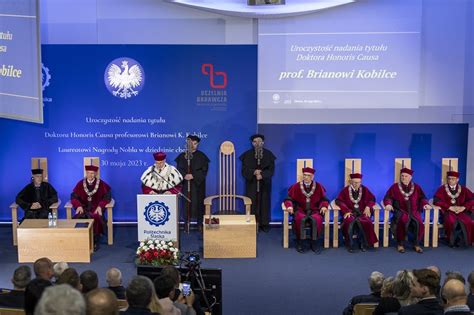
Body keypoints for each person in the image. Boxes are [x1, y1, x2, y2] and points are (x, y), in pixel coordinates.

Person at [383, 168, 430, 253]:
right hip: (401, 211)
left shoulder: (416, 187)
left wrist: (425, 204)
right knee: (401, 221)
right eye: (402, 176)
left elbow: (422, 198)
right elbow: (388, 197)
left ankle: (416, 244)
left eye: (406, 176)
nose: (403, 178)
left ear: (410, 177)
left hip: (414, 211)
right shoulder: (395, 187)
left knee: (419, 223)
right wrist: (389, 204)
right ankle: (400, 244)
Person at [283, 167, 329, 253]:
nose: (306, 177)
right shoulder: (296, 186)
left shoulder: (318, 186)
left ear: (312, 176)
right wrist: (289, 206)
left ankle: (314, 242)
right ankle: (300, 242)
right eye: (304, 175)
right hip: (300, 210)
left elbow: (324, 200)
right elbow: (288, 199)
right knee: (299, 219)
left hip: (314, 210)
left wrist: (323, 206)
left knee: (317, 219)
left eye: (308, 175)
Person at [239, 134, 276, 232]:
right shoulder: (247, 155)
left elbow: (271, 170)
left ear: (263, 143)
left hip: (264, 183)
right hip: (252, 183)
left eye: (259, 141)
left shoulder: (269, 155)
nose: (257, 144)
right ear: (252, 143)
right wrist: (254, 172)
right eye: (255, 142)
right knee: (251, 202)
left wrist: (262, 175)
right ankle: (252, 223)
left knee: (264, 202)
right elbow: (244, 170)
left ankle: (264, 223)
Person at [71, 165, 112, 249]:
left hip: (96, 208)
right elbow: (73, 197)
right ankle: (79, 241)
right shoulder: (80, 183)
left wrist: (100, 206)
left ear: (96, 174)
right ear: (86, 173)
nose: (90, 175)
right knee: (78, 217)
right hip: (84, 208)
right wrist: (78, 206)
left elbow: (107, 197)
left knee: (96, 217)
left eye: (92, 173)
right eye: (88, 173)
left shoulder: (101, 184)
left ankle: (94, 241)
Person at [335, 173, 378, 252]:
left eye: (359, 182)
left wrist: (368, 207)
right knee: (348, 221)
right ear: (350, 181)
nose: (357, 184)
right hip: (350, 212)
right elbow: (339, 201)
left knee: (366, 221)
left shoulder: (364, 189)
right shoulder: (345, 190)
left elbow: (372, 199)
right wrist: (346, 211)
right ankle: (350, 244)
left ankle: (364, 243)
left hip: (362, 212)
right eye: (355, 182)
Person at [175, 135, 210, 231]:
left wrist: (193, 175)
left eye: (195, 144)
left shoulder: (202, 156)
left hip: (198, 185)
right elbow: (179, 170)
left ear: (197, 144)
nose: (193, 146)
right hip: (186, 185)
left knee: (199, 203)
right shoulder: (182, 156)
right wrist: (184, 175)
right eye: (191, 143)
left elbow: (204, 171)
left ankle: (200, 223)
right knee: (186, 203)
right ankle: (187, 222)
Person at [433, 171, 474, 247]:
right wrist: (449, 207)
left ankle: (465, 241)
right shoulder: (442, 189)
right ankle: (452, 241)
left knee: (468, 221)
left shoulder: (463, 189)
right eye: (449, 179)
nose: (451, 180)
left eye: (453, 179)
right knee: (451, 221)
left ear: (457, 179)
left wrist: (463, 207)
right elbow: (436, 200)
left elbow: (472, 199)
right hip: (448, 212)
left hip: (462, 212)